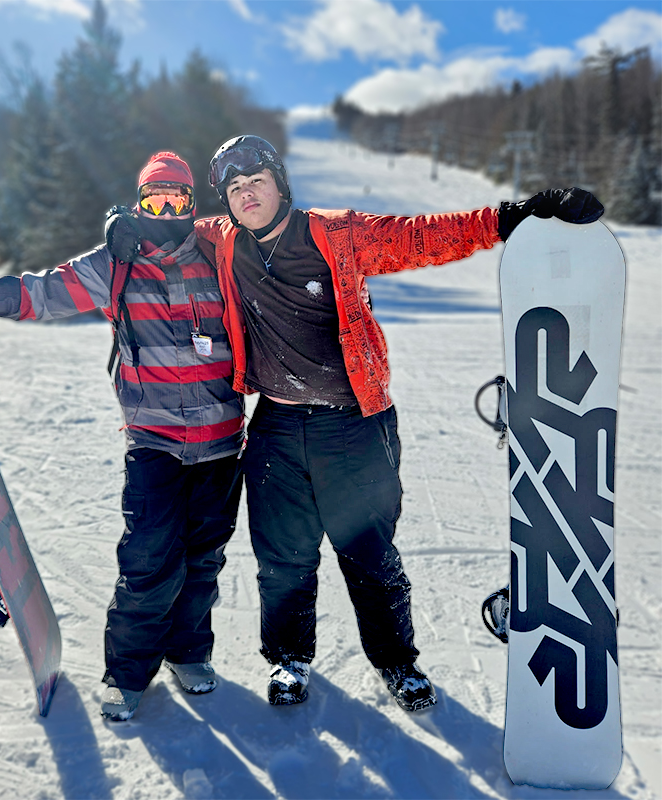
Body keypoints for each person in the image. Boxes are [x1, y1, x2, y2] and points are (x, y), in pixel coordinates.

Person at [108, 135, 604, 712]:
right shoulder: (220, 240)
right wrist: (122, 224)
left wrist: (513, 214)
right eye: (235, 189)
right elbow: (165, 226)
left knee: (370, 552)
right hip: (275, 425)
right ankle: (289, 660)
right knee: (282, 558)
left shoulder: (335, 232)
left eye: (257, 183)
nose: (247, 195)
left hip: (355, 425)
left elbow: (420, 238)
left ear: (280, 185)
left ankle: (398, 661)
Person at [0, 151, 245, 722]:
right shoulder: (116, 263)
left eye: (176, 200)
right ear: (139, 204)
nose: (165, 211)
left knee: (203, 561)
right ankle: (127, 676)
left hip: (224, 445)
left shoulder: (220, 257)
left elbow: (266, 243)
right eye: (154, 200)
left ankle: (189, 653)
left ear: (191, 205)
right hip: (155, 443)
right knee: (149, 564)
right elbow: (32, 295)